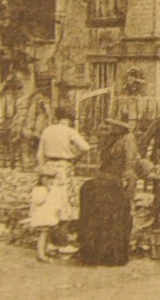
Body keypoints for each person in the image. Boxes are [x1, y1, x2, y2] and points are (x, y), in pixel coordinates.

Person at [36, 107, 89, 261]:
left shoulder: (47, 130)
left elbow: (39, 154)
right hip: (64, 170)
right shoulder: (69, 131)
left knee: (49, 206)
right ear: (70, 118)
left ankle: (51, 242)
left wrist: (44, 170)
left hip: (50, 170)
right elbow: (86, 147)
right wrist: (75, 157)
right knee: (66, 205)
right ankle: (62, 242)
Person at [99, 117, 142, 203]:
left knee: (123, 198)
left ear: (122, 128)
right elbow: (104, 152)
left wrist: (126, 176)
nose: (112, 127)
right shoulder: (112, 137)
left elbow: (129, 157)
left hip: (122, 171)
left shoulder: (128, 138)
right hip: (110, 170)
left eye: (116, 126)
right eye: (113, 125)